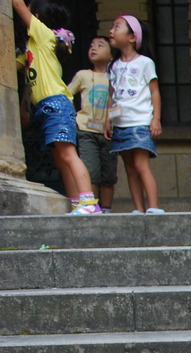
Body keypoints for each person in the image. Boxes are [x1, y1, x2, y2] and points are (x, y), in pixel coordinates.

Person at [12, 0, 101, 214]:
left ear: (37, 17)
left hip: (56, 104)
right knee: (60, 159)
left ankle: (89, 203)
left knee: (68, 154)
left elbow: (17, 4)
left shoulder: (43, 35)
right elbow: (14, 66)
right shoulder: (32, 46)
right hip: (44, 107)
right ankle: (76, 203)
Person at [107, 14, 163, 214]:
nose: (111, 31)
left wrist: (156, 118)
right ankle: (138, 209)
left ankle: (154, 207)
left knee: (141, 165)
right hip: (120, 124)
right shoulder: (113, 65)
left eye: (117, 27)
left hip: (140, 122)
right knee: (129, 168)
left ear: (132, 37)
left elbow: (154, 92)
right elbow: (111, 95)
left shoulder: (145, 62)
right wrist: (107, 120)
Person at [66, 36, 117, 213]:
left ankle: (107, 210)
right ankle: (93, 208)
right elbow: (67, 94)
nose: (94, 48)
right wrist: (73, 116)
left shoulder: (115, 78)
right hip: (86, 130)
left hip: (109, 132)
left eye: (100, 45)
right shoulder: (83, 75)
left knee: (109, 175)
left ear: (111, 56)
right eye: (91, 45)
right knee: (91, 172)